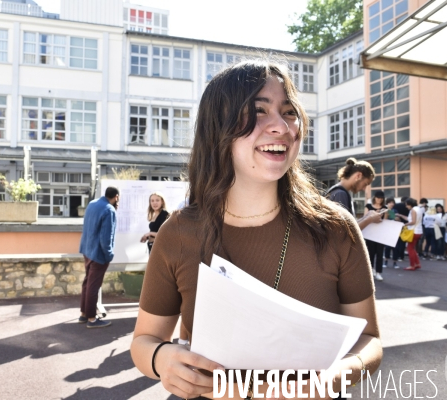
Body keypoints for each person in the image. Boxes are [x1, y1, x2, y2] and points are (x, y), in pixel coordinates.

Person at [130, 59, 382, 400]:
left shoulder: (336, 228)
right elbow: (144, 341)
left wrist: (335, 375)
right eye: (259, 111)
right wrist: (161, 360)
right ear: (218, 127)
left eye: (289, 111)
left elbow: (369, 341)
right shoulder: (179, 232)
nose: (281, 126)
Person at [78, 186, 119, 328]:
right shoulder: (109, 210)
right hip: (98, 254)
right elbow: (106, 238)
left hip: (87, 250)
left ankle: (84, 314)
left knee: (87, 283)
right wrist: (109, 255)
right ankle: (91, 319)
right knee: (93, 286)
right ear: (116, 197)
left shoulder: (92, 203)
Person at [326, 158, 383, 230]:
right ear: (358, 176)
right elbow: (346, 231)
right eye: (365, 184)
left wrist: (367, 216)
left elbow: (350, 224)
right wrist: (370, 219)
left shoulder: (337, 192)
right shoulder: (340, 194)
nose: (364, 189)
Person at [365, 191, 387, 281]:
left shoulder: (385, 208)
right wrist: (373, 215)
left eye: (381, 198)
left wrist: (381, 217)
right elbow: (364, 218)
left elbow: (385, 221)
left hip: (380, 234)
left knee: (380, 253)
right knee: (370, 253)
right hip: (370, 233)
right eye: (378, 198)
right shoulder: (368, 207)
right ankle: (371, 270)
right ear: (374, 197)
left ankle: (378, 272)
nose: (379, 200)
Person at [404, 198, 424, 271]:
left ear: (410, 204)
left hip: (413, 231)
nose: (406, 206)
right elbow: (411, 219)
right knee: (413, 248)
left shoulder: (413, 210)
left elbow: (413, 222)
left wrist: (404, 224)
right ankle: (417, 264)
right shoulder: (419, 209)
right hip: (419, 231)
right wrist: (400, 215)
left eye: (407, 205)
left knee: (410, 248)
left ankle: (412, 265)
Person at [392, 196, 410, 265]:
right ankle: (401, 256)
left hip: (396, 224)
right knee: (402, 241)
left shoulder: (396, 205)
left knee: (396, 241)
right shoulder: (407, 207)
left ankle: (395, 255)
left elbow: (392, 214)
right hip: (405, 225)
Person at [383, 198, 397, 268]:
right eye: (390, 202)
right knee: (387, 247)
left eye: (393, 203)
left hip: (395, 231)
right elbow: (384, 220)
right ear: (387, 203)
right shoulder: (385, 210)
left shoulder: (395, 211)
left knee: (395, 247)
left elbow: (398, 220)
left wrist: (397, 218)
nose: (392, 204)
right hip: (387, 231)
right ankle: (386, 261)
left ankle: (395, 262)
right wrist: (386, 215)